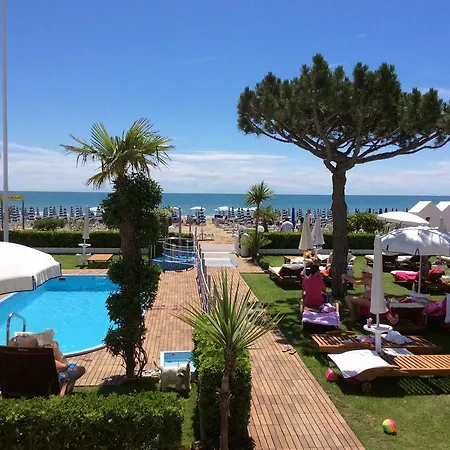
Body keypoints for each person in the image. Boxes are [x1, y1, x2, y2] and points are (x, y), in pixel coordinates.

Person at [10, 335, 86, 388]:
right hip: (45, 387)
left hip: (23, 386)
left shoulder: (10, 359)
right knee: (77, 369)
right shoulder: (42, 359)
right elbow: (64, 366)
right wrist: (55, 349)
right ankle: (66, 387)